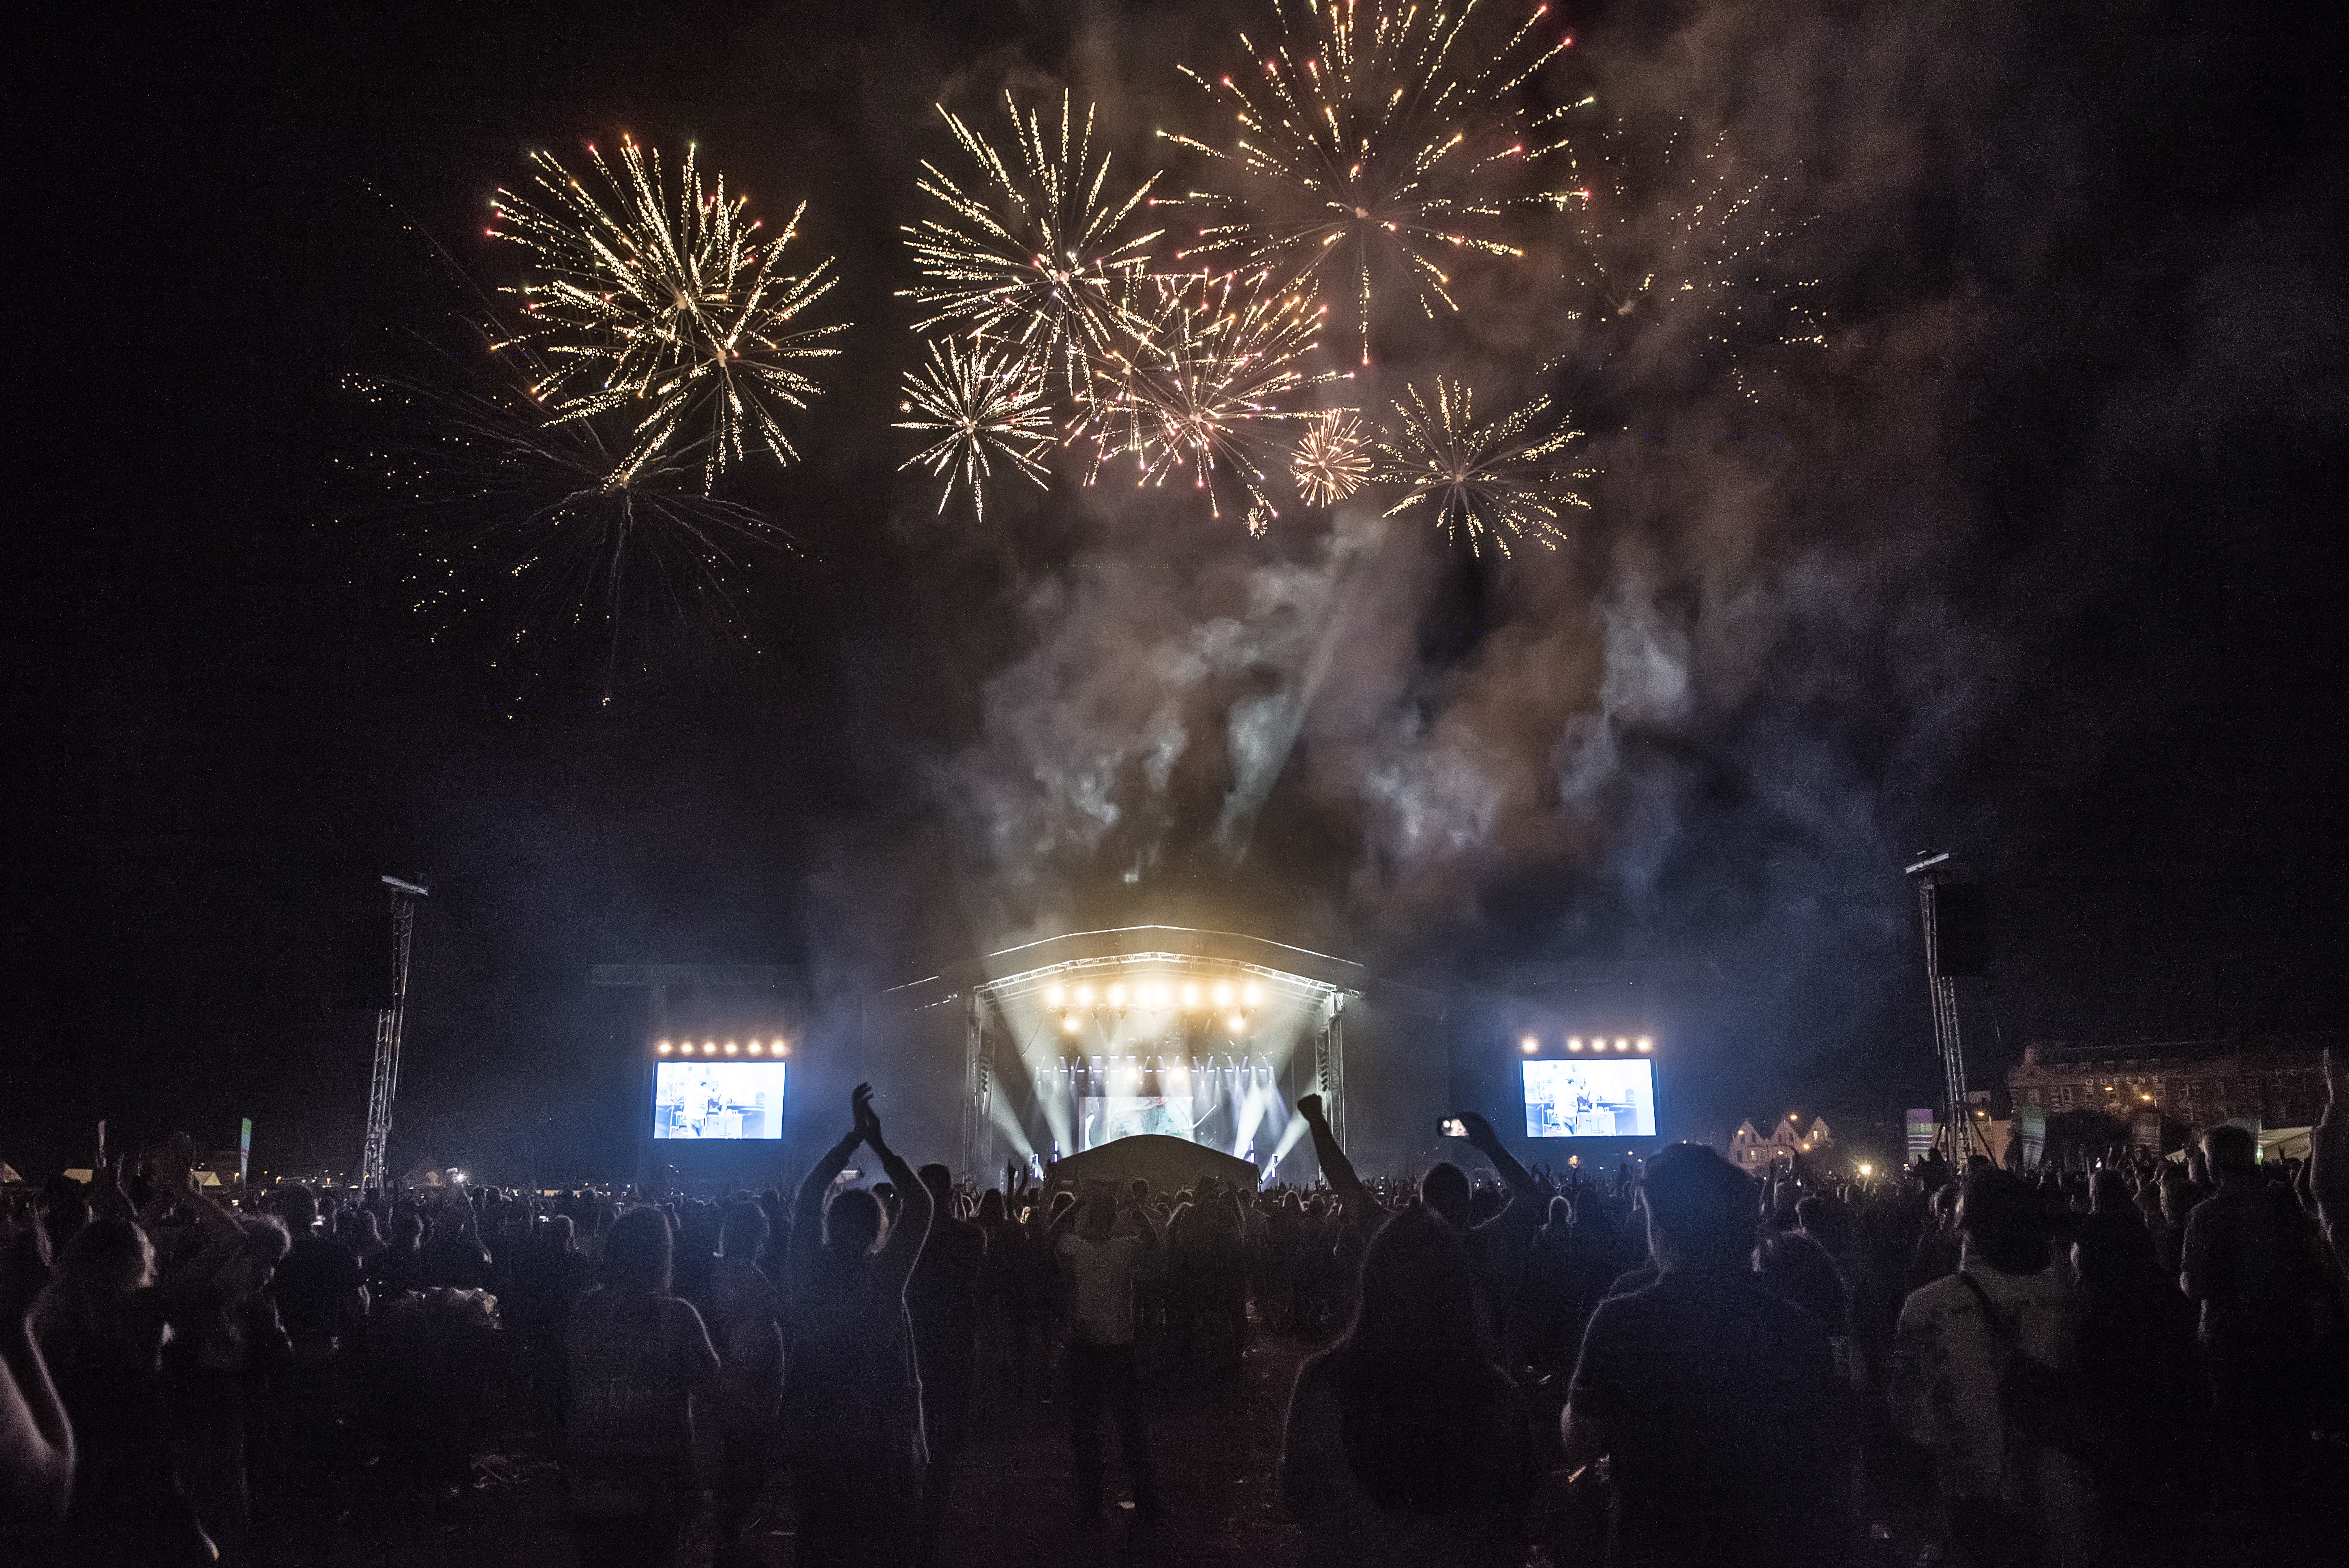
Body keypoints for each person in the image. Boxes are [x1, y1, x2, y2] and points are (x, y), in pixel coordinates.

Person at [1561, 1141, 1854, 1568]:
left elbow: (1581, 1440)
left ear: (1659, 1226)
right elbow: (1826, 1459)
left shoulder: (1622, 1322)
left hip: (1656, 1548)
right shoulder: (1797, 1328)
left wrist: (1570, 1408)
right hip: (1767, 1546)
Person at [1281, 1206, 1530, 1568]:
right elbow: (1513, 1518)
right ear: (1456, 1291)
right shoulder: (1499, 1396)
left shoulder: (1319, 1383)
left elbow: (1296, 1497)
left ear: (1371, 1284)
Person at [1889, 1168, 2092, 1568]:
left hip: (1975, 1500)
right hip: (2067, 1498)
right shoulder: (2076, 1302)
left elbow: (1910, 1417)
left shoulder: (1927, 1307)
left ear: (1965, 1229)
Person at [784, 1083, 934, 1568]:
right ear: (878, 1231)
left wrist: (850, 1142)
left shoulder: (807, 1272)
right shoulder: (883, 1281)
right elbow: (923, 1205)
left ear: (830, 1223)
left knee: (819, 1541)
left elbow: (808, 1195)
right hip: (877, 1440)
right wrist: (880, 1146)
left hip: (816, 1434)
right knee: (875, 1544)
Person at [562, 1205, 719, 1568]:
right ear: (662, 1255)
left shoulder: (585, 1308)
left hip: (592, 1474)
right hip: (656, 1479)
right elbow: (711, 1389)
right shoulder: (677, 1316)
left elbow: (573, 1380)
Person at [2178, 1123, 2327, 1499]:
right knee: (2286, 1430)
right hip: (2287, 1332)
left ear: (2216, 1164)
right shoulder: (2283, 1205)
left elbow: (2195, 1287)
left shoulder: (2205, 1217)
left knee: (2239, 1431)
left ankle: (2253, 1517)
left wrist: (2183, 1278)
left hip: (2230, 1340)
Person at [1056, 1180, 1165, 1525]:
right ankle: (1145, 1499)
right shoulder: (1124, 1249)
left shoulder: (1076, 1248)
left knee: (1086, 1430)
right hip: (1119, 1348)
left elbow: (1052, 1232)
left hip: (1084, 1347)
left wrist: (1076, 1203)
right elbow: (1153, 1239)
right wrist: (1133, 1206)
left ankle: (1090, 1504)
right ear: (1112, 1220)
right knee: (1130, 1428)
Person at [905, 1163, 985, 1568]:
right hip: (953, 1345)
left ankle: (911, 1520)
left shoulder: (907, 1239)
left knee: (913, 1429)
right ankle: (930, 1525)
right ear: (951, 1190)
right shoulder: (971, 1236)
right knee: (946, 1438)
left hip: (917, 1342)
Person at [703, 1199, 783, 1566]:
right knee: (743, 1469)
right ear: (759, 1237)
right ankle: (728, 1540)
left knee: (728, 1468)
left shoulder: (714, 1272)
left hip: (727, 1387)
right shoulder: (750, 1278)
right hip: (746, 1390)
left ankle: (724, 1535)